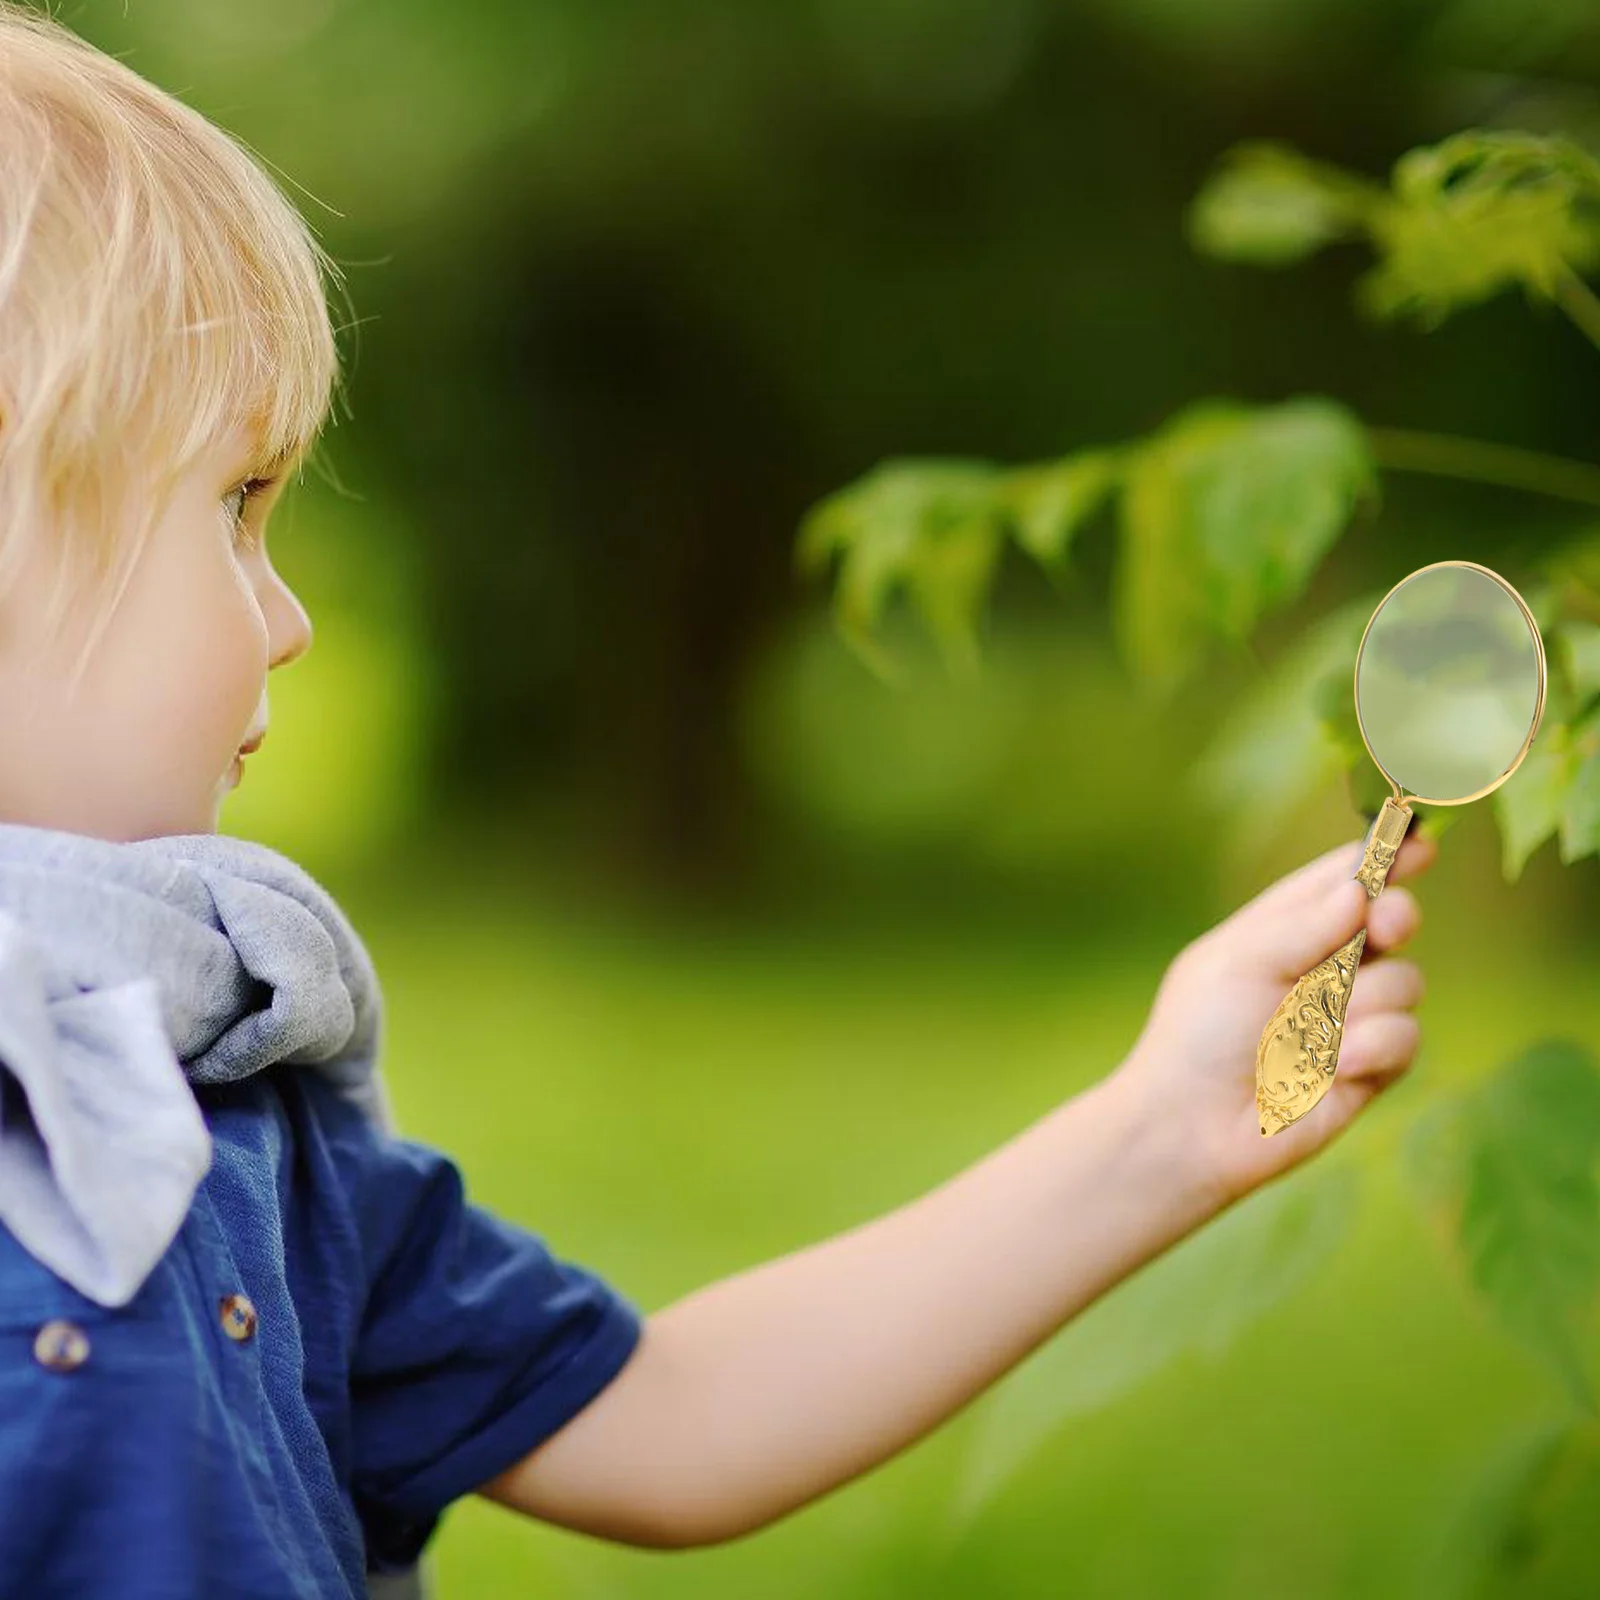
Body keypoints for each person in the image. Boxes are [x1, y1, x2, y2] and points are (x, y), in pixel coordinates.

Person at [0, 4, 1434, 1597]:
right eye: (234, 506)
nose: (286, 619)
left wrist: (1160, 1124)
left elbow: (668, 1422)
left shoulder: (234, 1098)